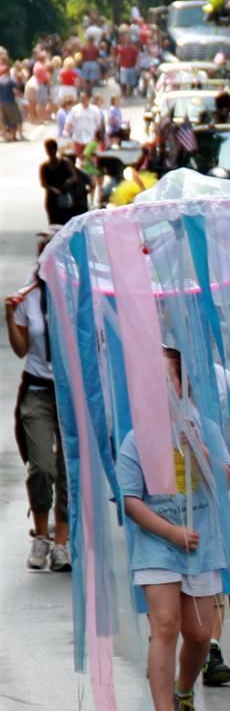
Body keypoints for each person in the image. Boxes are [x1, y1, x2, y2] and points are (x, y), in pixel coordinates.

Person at [118, 345, 230, 711]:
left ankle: (185, 693)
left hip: (202, 546)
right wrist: (168, 532)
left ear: (184, 384)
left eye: (169, 378)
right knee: (164, 626)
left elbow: (226, 482)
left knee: (199, 634)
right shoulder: (137, 437)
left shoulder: (206, 427)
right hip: (157, 545)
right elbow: (130, 500)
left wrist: (199, 451)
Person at [8, 258, 69, 571]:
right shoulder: (27, 297)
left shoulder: (80, 295)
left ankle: (62, 542)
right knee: (42, 466)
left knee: (68, 469)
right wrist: (9, 315)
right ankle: (41, 535)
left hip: (70, 393)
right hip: (37, 391)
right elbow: (20, 350)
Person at [39, 139, 75, 227]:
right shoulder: (44, 166)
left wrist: (68, 182)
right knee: (53, 225)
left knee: (66, 224)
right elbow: (43, 183)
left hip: (65, 197)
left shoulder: (65, 162)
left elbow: (74, 176)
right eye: (47, 149)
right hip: (51, 199)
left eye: (51, 149)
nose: (49, 151)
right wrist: (53, 189)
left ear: (55, 149)